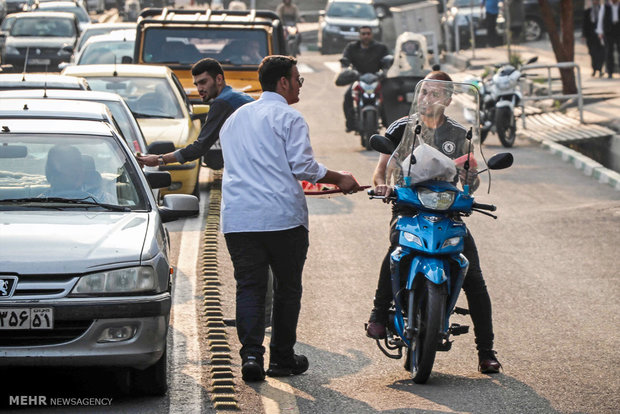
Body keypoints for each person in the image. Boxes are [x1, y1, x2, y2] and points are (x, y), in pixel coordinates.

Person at [219, 55, 362, 382]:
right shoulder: (289, 117)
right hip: (282, 218)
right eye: (298, 78)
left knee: (250, 288)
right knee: (287, 288)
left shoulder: (235, 119)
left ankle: (251, 356)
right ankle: (282, 357)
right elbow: (304, 168)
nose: (299, 84)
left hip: (239, 219)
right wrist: (339, 177)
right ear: (283, 82)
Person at [365, 71, 502, 374]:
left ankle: (486, 351)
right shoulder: (403, 127)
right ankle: (377, 314)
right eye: (424, 92)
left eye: (435, 94)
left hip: (447, 213)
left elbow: (471, 179)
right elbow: (381, 169)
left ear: (449, 99)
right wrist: (383, 186)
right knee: (394, 255)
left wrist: (470, 180)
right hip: (409, 210)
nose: (428, 98)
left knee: (474, 276)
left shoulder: (459, 133)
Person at [136, 58, 253, 169]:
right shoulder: (237, 97)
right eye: (196, 84)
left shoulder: (222, 103)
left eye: (203, 82)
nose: (199, 88)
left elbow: (200, 147)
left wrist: (159, 159)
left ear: (219, 79)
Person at [341, 26, 390, 132]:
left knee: (388, 97)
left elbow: (387, 60)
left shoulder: (381, 48)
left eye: (368, 33)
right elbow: (345, 59)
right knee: (347, 96)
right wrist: (347, 69)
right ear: (359, 35)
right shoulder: (352, 47)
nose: (366, 36)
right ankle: (350, 124)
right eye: (363, 34)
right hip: (358, 80)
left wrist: (384, 71)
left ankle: (388, 124)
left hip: (376, 80)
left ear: (372, 35)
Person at [596, 0, 620, 78]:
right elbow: (600, 19)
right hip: (609, 31)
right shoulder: (605, 7)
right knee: (609, 51)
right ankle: (610, 71)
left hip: (618, 29)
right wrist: (600, 31)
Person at [584, 0, 606, 77]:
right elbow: (585, 24)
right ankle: (594, 69)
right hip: (591, 36)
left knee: (601, 53)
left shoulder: (602, 9)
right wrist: (584, 35)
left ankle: (600, 69)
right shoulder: (588, 11)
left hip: (601, 35)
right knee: (593, 53)